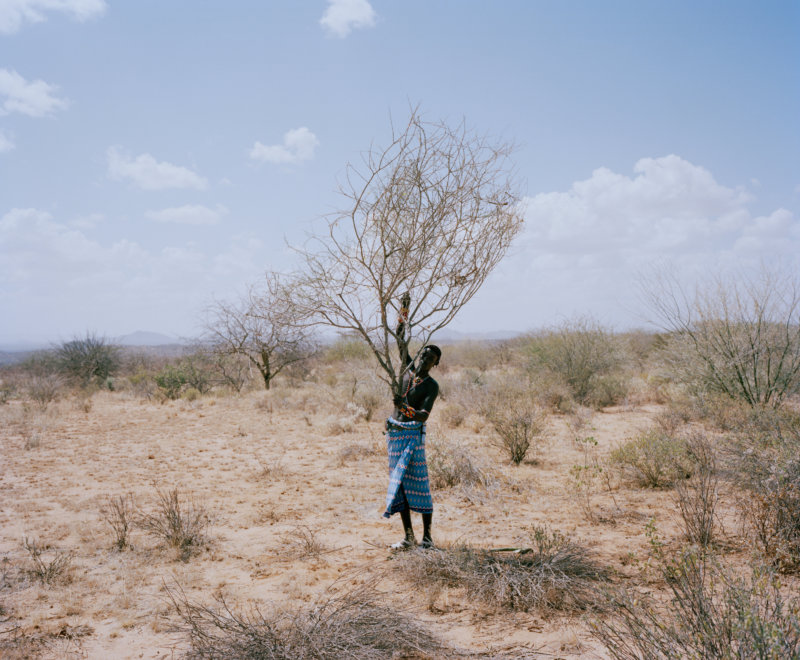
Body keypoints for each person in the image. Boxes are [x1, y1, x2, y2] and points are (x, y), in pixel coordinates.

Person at [383, 306, 441, 550]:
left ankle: (427, 537)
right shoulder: (407, 370)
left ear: (436, 363)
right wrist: (404, 309)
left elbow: (422, 416)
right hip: (395, 435)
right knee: (399, 486)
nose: (425, 359)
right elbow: (398, 334)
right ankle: (409, 536)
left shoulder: (431, 386)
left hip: (412, 436)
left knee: (420, 484)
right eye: (424, 354)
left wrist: (403, 408)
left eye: (431, 358)